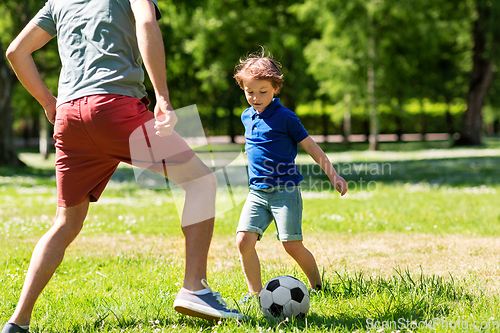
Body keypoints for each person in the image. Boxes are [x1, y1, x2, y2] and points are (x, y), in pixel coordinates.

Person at [2, 1, 243, 332]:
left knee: (65, 223)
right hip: (115, 108)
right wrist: (163, 97)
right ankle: (194, 289)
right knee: (201, 181)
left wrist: (48, 102)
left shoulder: (58, 1)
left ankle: (18, 321)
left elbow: (16, 52)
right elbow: (146, 25)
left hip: (70, 115)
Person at [233, 50, 348, 302]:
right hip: (257, 193)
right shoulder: (246, 116)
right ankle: (255, 293)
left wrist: (333, 175)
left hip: (285, 192)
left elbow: (311, 147)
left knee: (291, 245)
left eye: (263, 91)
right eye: (249, 91)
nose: (255, 97)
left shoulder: (286, 117)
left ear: (275, 88)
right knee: (243, 241)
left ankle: (317, 287)